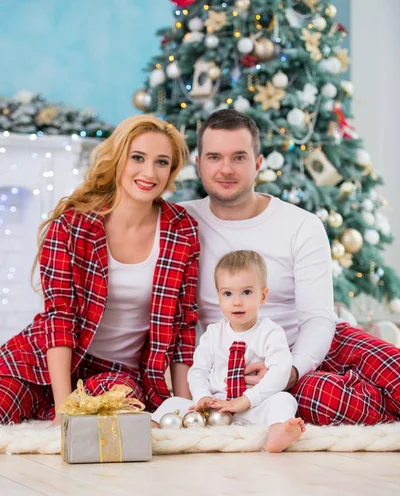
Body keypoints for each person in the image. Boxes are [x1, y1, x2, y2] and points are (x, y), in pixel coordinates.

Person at [180, 109, 400, 426]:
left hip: (320, 341)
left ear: (257, 164)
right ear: (199, 163)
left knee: (393, 369)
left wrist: (291, 370)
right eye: (214, 157)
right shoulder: (181, 223)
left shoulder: (301, 224)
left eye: (239, 158)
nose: (225, 169)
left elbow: (317, 317)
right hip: (250, 366)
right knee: (328, 399)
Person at [0, 115, 200, 425]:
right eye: (138, 158)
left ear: (172, 171)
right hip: (41, 361)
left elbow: (184, 324)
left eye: (162, 162)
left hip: (117, 374)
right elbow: (60, 316)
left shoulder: (181, 229)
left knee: (114, 416)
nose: (149, 172)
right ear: (119, 159)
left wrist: (185, 405)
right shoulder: (72, 225)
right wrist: (64, 403)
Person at [151, 250, 305, 452]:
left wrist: (247, 400)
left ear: (263, 295)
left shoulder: (271, 332)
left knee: (284, 400)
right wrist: (202, 397)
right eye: (228, 293)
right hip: (214, 406)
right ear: (218, 297)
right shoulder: (213, 333)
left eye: (247, 292)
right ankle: (149, 431)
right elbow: (199, 370)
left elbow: (280, 372)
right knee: (173, 403)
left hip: (251, 406)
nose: (237, 302)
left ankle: (278, 434)